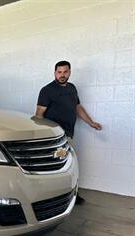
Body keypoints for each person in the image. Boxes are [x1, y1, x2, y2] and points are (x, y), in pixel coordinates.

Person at [35, 60, 102, 205]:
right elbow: (39, 115)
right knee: (59, 167)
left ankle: (69, 194)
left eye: (65, 72)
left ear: (69, 72)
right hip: (55, 137)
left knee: (67, 165)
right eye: (59, 72)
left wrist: (91, 122)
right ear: (54, 73)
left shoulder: (72, 88)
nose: (62, 75)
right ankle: (54, 197)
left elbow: (77, 107)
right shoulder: (47, 90)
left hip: (68, 134)